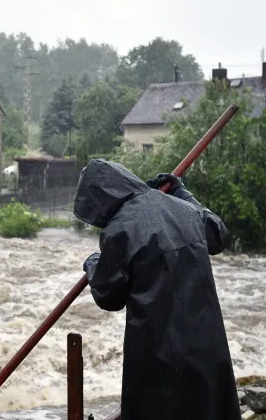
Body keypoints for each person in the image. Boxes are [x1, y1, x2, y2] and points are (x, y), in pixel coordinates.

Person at [73, 159, 240, 420]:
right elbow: (218, 235)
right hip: (206, 343)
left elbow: (108, 296)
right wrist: (181, 193)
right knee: (206, 408)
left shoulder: (119, 230)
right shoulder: (183, 208)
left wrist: (93, 263)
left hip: (157, 353)